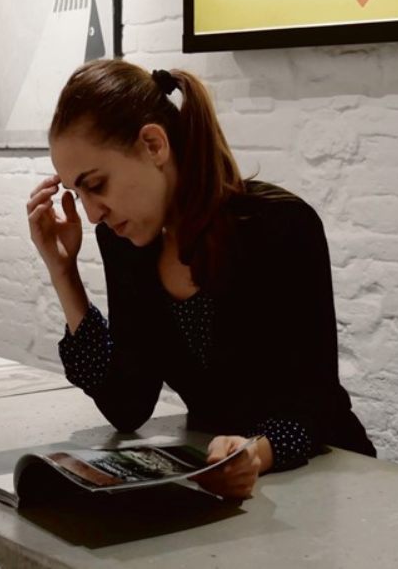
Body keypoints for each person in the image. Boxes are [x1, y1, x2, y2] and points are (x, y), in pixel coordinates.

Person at [26, 59, 375, 500]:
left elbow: (316, 408)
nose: (92, 212)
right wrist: (64, 273)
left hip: (322, 482)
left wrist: (256, 453)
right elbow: (127, 404)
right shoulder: (126, 243)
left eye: (97, 185)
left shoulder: (281, 226)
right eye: (77, 195)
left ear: (154, 145)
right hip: (217, 481)